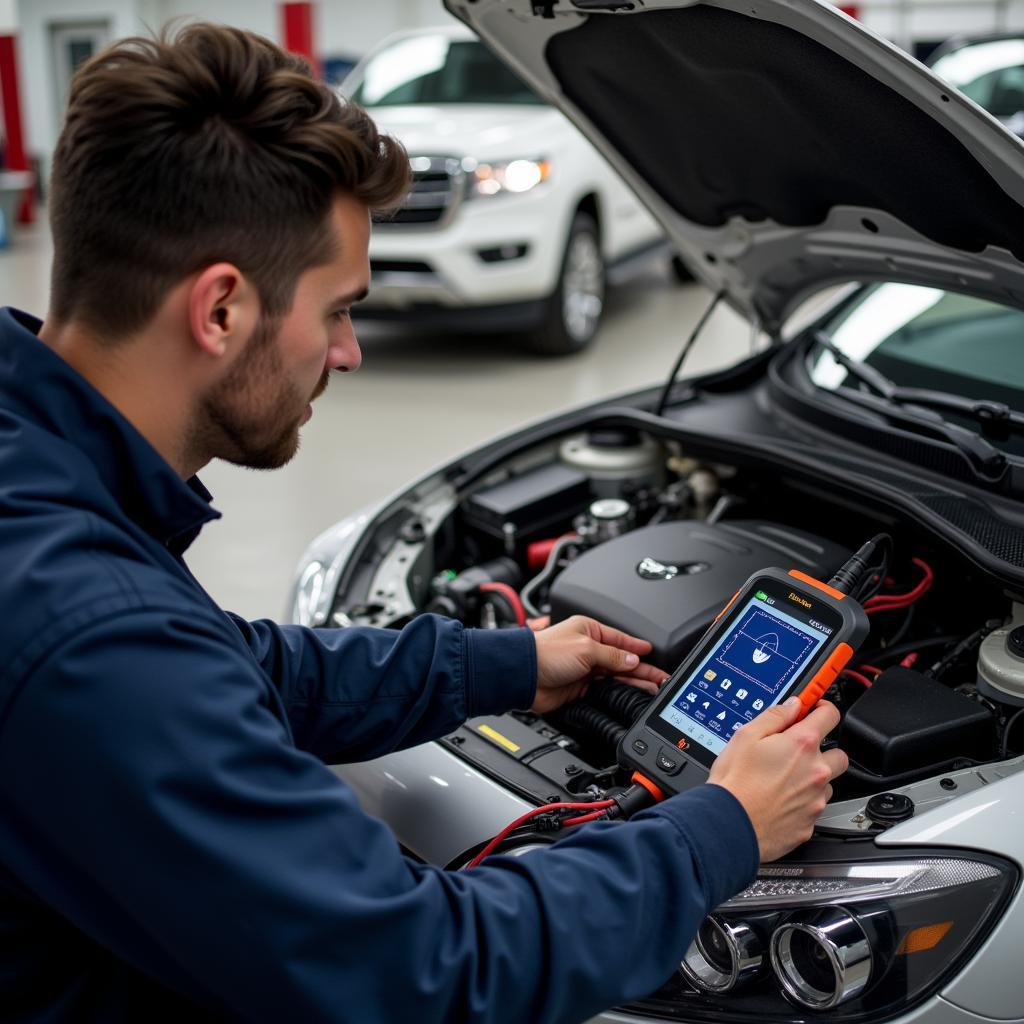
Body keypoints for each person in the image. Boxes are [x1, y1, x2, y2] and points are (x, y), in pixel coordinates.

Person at [0, 23, 848, 1024]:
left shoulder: (43, 482)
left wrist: (502, 664)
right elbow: (421, 968)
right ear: (220, 309)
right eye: (338, 310)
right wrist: (722, 827)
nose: (350, 352)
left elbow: (232, 669)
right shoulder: (91, 629)